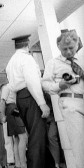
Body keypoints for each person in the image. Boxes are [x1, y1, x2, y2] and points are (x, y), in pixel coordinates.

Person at [6, 35, 50, 168]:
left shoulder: (11, 61)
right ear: (28, 44)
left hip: (20, 98)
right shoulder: (26, 58)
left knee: (33, 135)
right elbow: (32, 82)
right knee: (38, 136)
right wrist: (42, 103)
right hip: (30, 96)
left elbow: (11, 86)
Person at [42, 29, 84, 168]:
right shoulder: (53, 63)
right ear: (58, 47)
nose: (68, 52)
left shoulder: (82, 59)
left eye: (71, 48)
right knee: (78, 145)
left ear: (77, 44)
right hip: (70, 103)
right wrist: (59, 85)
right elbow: (45, 84)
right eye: (64, 49)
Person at [0, 80, 28, 168]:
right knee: (23, 137)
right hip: (12, 109)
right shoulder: (6, 87)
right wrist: (3, 115)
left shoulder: (16, 86)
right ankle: (23, 164)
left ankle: (18, 164)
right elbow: (2, 102)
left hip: (15, 109)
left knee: (16, 139)